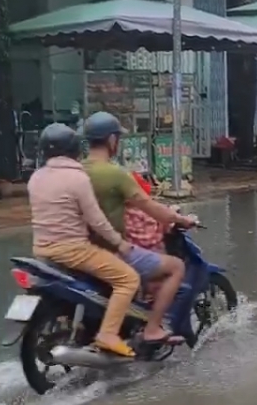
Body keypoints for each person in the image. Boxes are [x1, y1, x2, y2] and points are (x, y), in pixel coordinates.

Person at [80, 112, 196, 352]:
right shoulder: (114, 173)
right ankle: (153, 328)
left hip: (83, 248)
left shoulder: (78, 171)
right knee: (175, 267)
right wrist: (179, 218)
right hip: (112, 250)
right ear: (112, 140)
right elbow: (151, 207)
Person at [27, 123, 140, 358]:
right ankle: (108, 334)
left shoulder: (35, 178)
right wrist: (119, 243)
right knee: (128, 279)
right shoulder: (77, 178)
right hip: (73, 250)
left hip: (42, 251)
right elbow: (96, 220)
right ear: (75, 148)